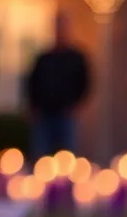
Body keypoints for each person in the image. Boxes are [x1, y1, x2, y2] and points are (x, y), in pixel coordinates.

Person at [25, 13, 91, 158]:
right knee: (41, 155)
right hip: (44, 114)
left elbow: (85, 83)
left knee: (67, 155)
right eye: (57, 27)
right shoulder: (44, 58)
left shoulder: (76, 58)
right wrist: (34, 107)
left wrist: (77, 105)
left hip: (66, 114)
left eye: (63, 26)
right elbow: (31, 82)